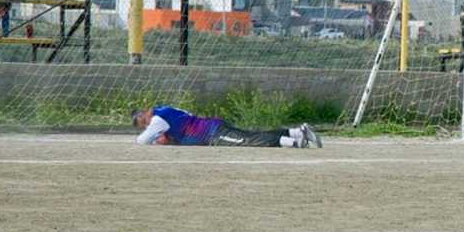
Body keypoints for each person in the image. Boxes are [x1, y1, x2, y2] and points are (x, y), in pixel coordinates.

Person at [132, 105, 322, 148]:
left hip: (211, 134)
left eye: (144, 122)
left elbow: (142, 141)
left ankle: (293, 142)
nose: (146, 125)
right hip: (212, 125)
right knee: (252, 134)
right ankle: (298, 132)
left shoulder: (157, 120)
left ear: (145, 114)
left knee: (247, 141)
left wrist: (157, 140)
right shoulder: (166, 109)